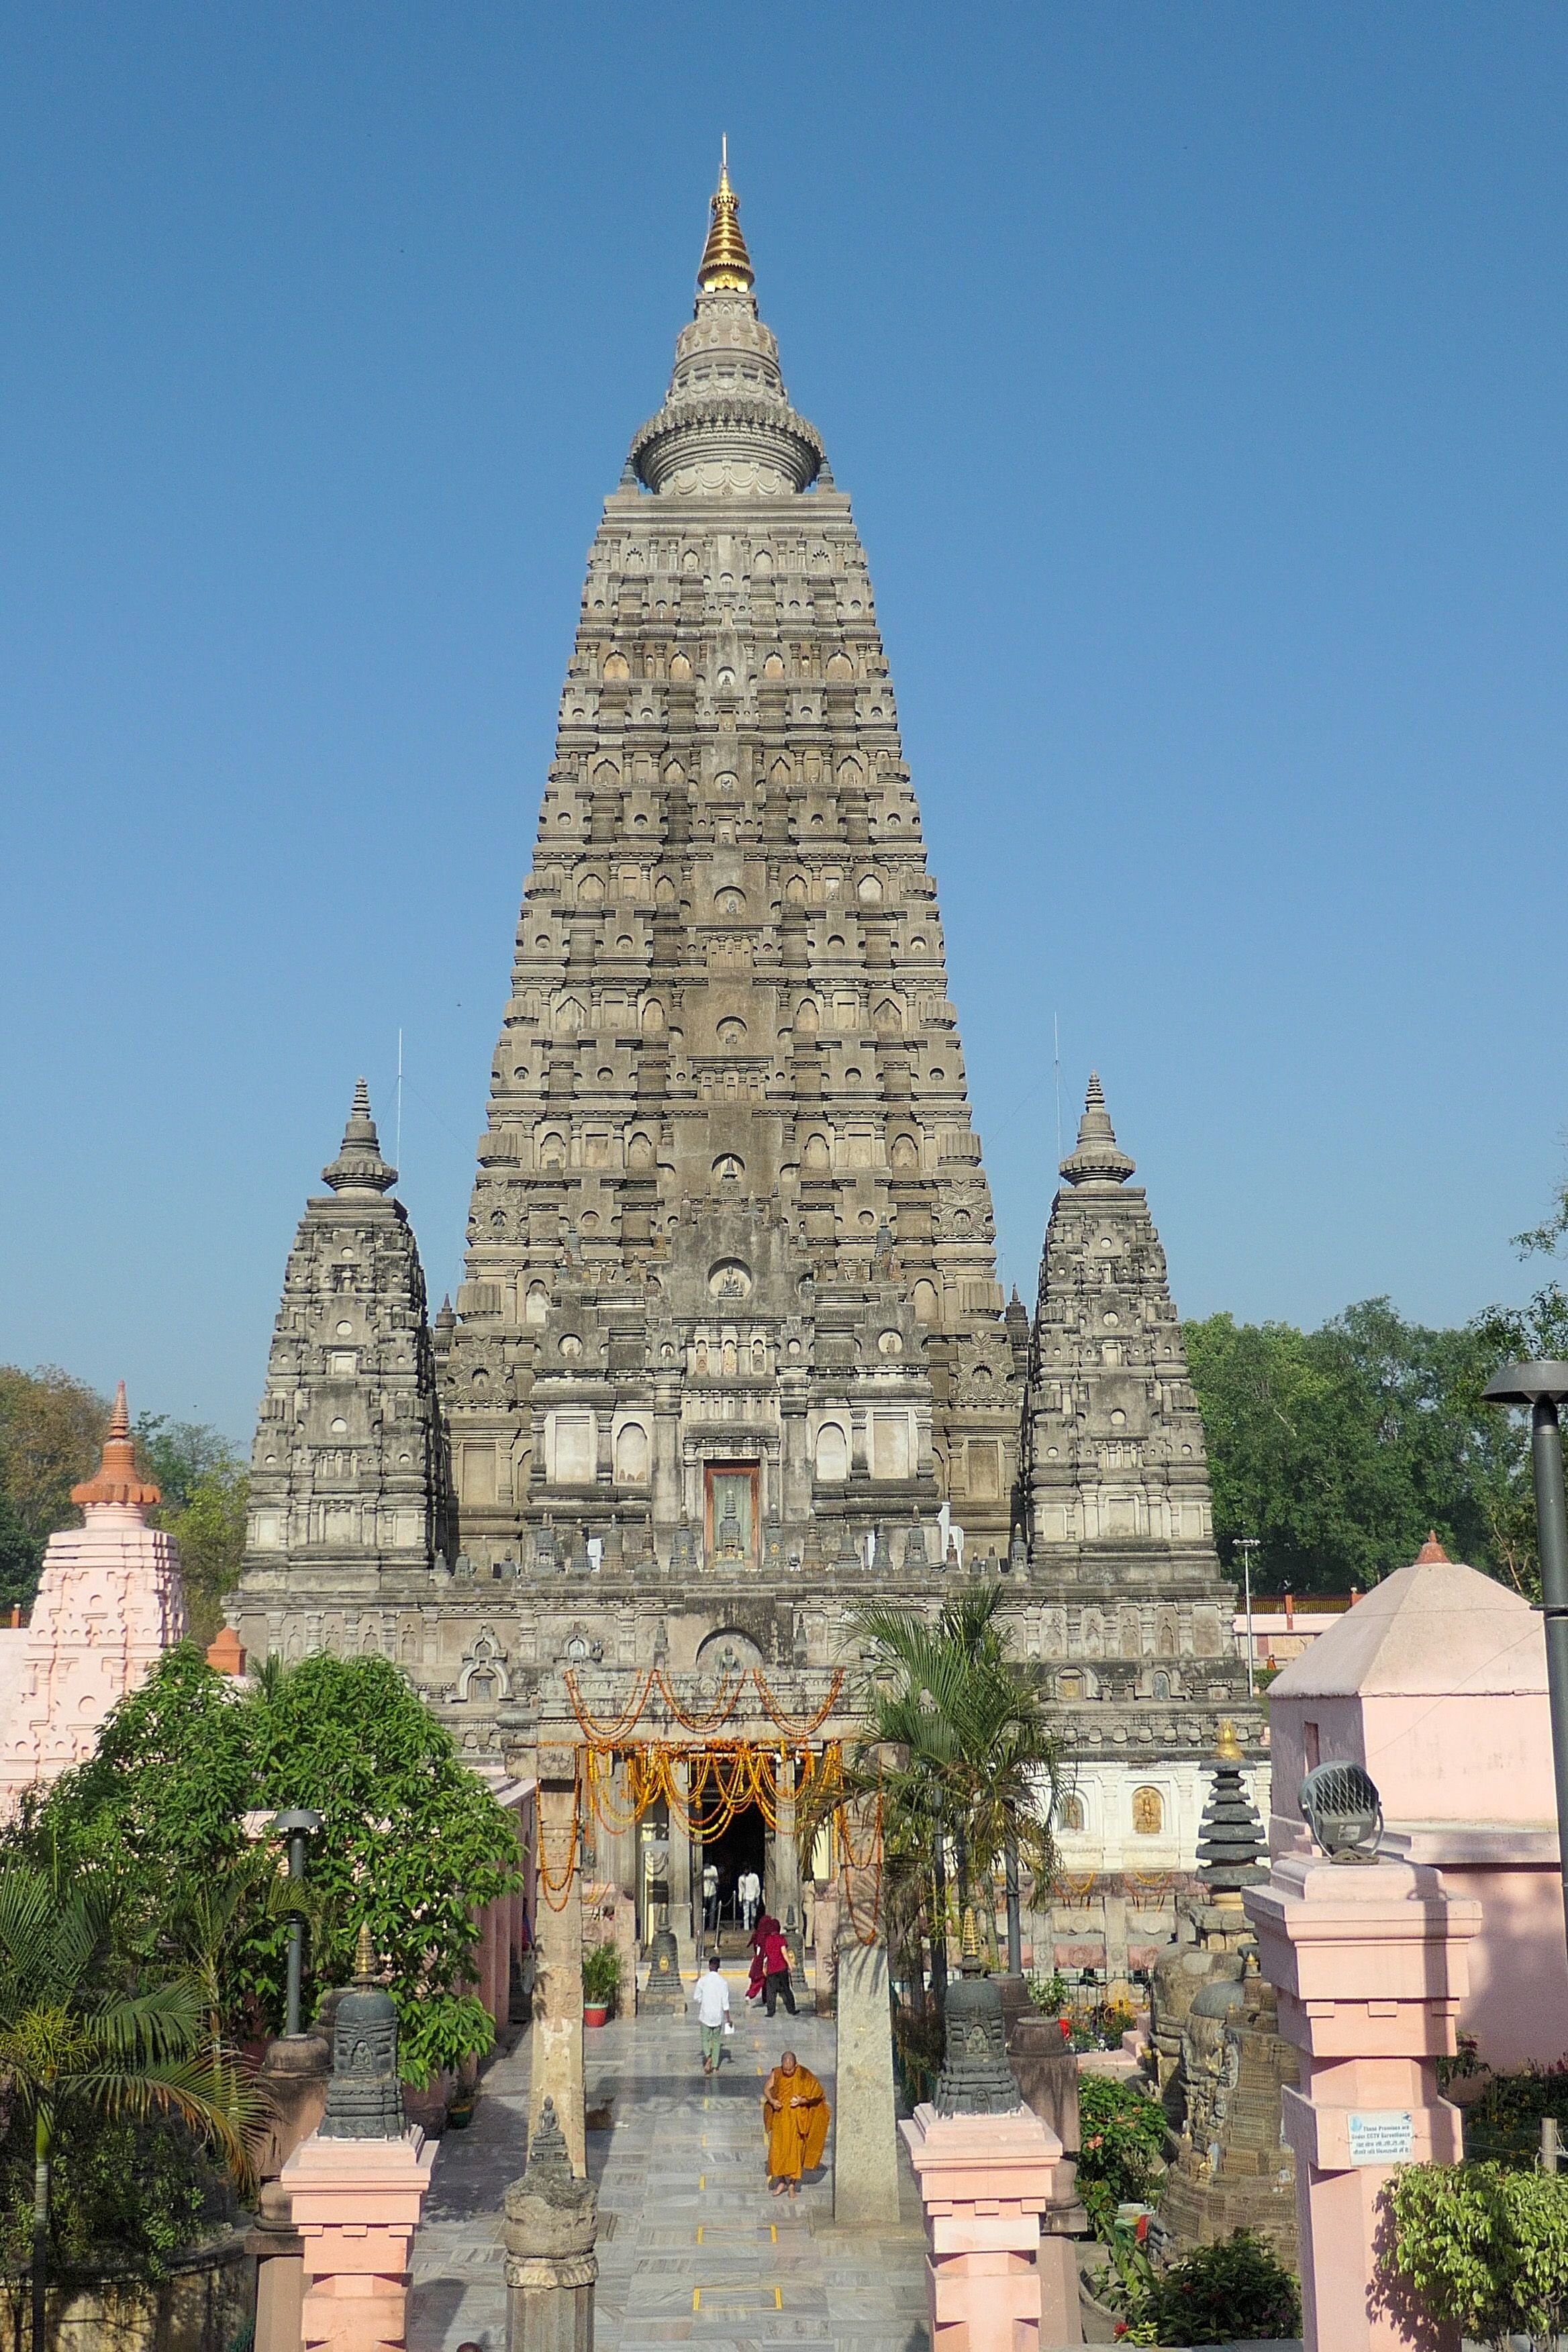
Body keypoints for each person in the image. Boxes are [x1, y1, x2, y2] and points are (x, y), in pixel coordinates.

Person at [761, 2051, 829, 2198]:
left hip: (797, 2121)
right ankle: (780, 2182)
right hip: (781, 2120)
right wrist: (772, 2101)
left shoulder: (804, 2074)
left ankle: (792, 2184)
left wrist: (801, 2101)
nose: (787, 2072)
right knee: (778, 2151)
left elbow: (818, 2094)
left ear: (796, 2065)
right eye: (785, 2069)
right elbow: (767, 2088)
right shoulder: (777, 2073)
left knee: (795, 2152)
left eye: (790, 2070)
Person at [691, 1952, 731, 2075]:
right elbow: (725, 2002)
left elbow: (696, 1997)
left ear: (709, 1966)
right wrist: (728, 2018)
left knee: (705, 2039)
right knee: (717, 2040)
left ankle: (708, 2056)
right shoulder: (723, 1982)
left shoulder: (703, 1981)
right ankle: (715, 2066)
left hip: (705, 2015)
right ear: (718, 1967)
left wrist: (705, 2000)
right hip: (717, 2016)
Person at [761, 1918, 795, 2016]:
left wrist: (764, 1967)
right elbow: (784, 1953)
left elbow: (766, 1955)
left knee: (771, 1991)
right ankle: (792, 2009)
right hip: (781, 1967)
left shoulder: (767, 1940)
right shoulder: (780, 1938)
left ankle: (770, 2011)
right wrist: (789, 1964)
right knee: (786, 1988)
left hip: (771, 1969)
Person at [738, 1864, 761, 1932]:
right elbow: (741, 1889)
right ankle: (746, 1928)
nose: (746, 1871)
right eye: (744, 1869)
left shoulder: (754, 1877)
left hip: (753, 1897)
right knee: (746, 1914)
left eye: (747, 1869)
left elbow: (757, 1887)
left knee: (754, 1914)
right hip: (746, 1898)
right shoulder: (741, 1878)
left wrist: (757, 1897)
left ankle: (752, 1924)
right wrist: (740, 1899)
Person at [702, 1857, 720, 1933]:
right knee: (704, 1910)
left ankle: (711, 1926)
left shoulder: (713, 1869)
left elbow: (716, 1880)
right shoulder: (701, 1869)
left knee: (712, 1910)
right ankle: (703, 1925)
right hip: (704, 1893)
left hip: (713, 1892)